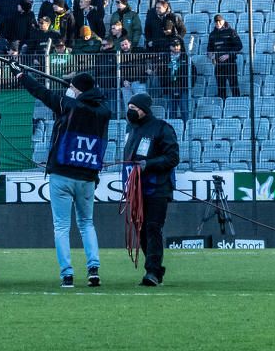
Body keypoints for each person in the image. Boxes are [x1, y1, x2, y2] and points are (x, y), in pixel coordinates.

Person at [18, 69, 110, 287]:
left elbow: (41, 93)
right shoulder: (104, 112)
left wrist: (22, 77)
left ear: (78, 90)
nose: (68, 89)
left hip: (62, 174)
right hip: (87, 176)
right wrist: (84, 92)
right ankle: (93, 269)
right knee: (87, 223)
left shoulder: (68, 106)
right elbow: (97, 100)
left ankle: (67, 273)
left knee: (61, 226)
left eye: (72, 87)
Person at [123, 91, 180, 285]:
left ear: (144, 110)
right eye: (128, 108)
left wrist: (149, 164)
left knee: (153, 227)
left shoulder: (162, 128)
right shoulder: (130, 129)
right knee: (141, 229)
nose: (129, 111)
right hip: (136, 190)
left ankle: (152, 272)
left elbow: (173, 158)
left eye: (133, 108)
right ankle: (155, 269)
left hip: (158, 188)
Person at [207, 14, 243, 99]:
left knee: (233, 85)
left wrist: (228, 55)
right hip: (218, 64)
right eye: (216, 22)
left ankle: (236, 104)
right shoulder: (212, 34)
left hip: (230, 63)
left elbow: (239, 46)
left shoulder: (231, 32)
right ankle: (222, 106)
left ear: (223, 21)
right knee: (220, 86)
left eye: (219, 21)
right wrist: (211, 55)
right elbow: (209, 48)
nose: (218, 23)